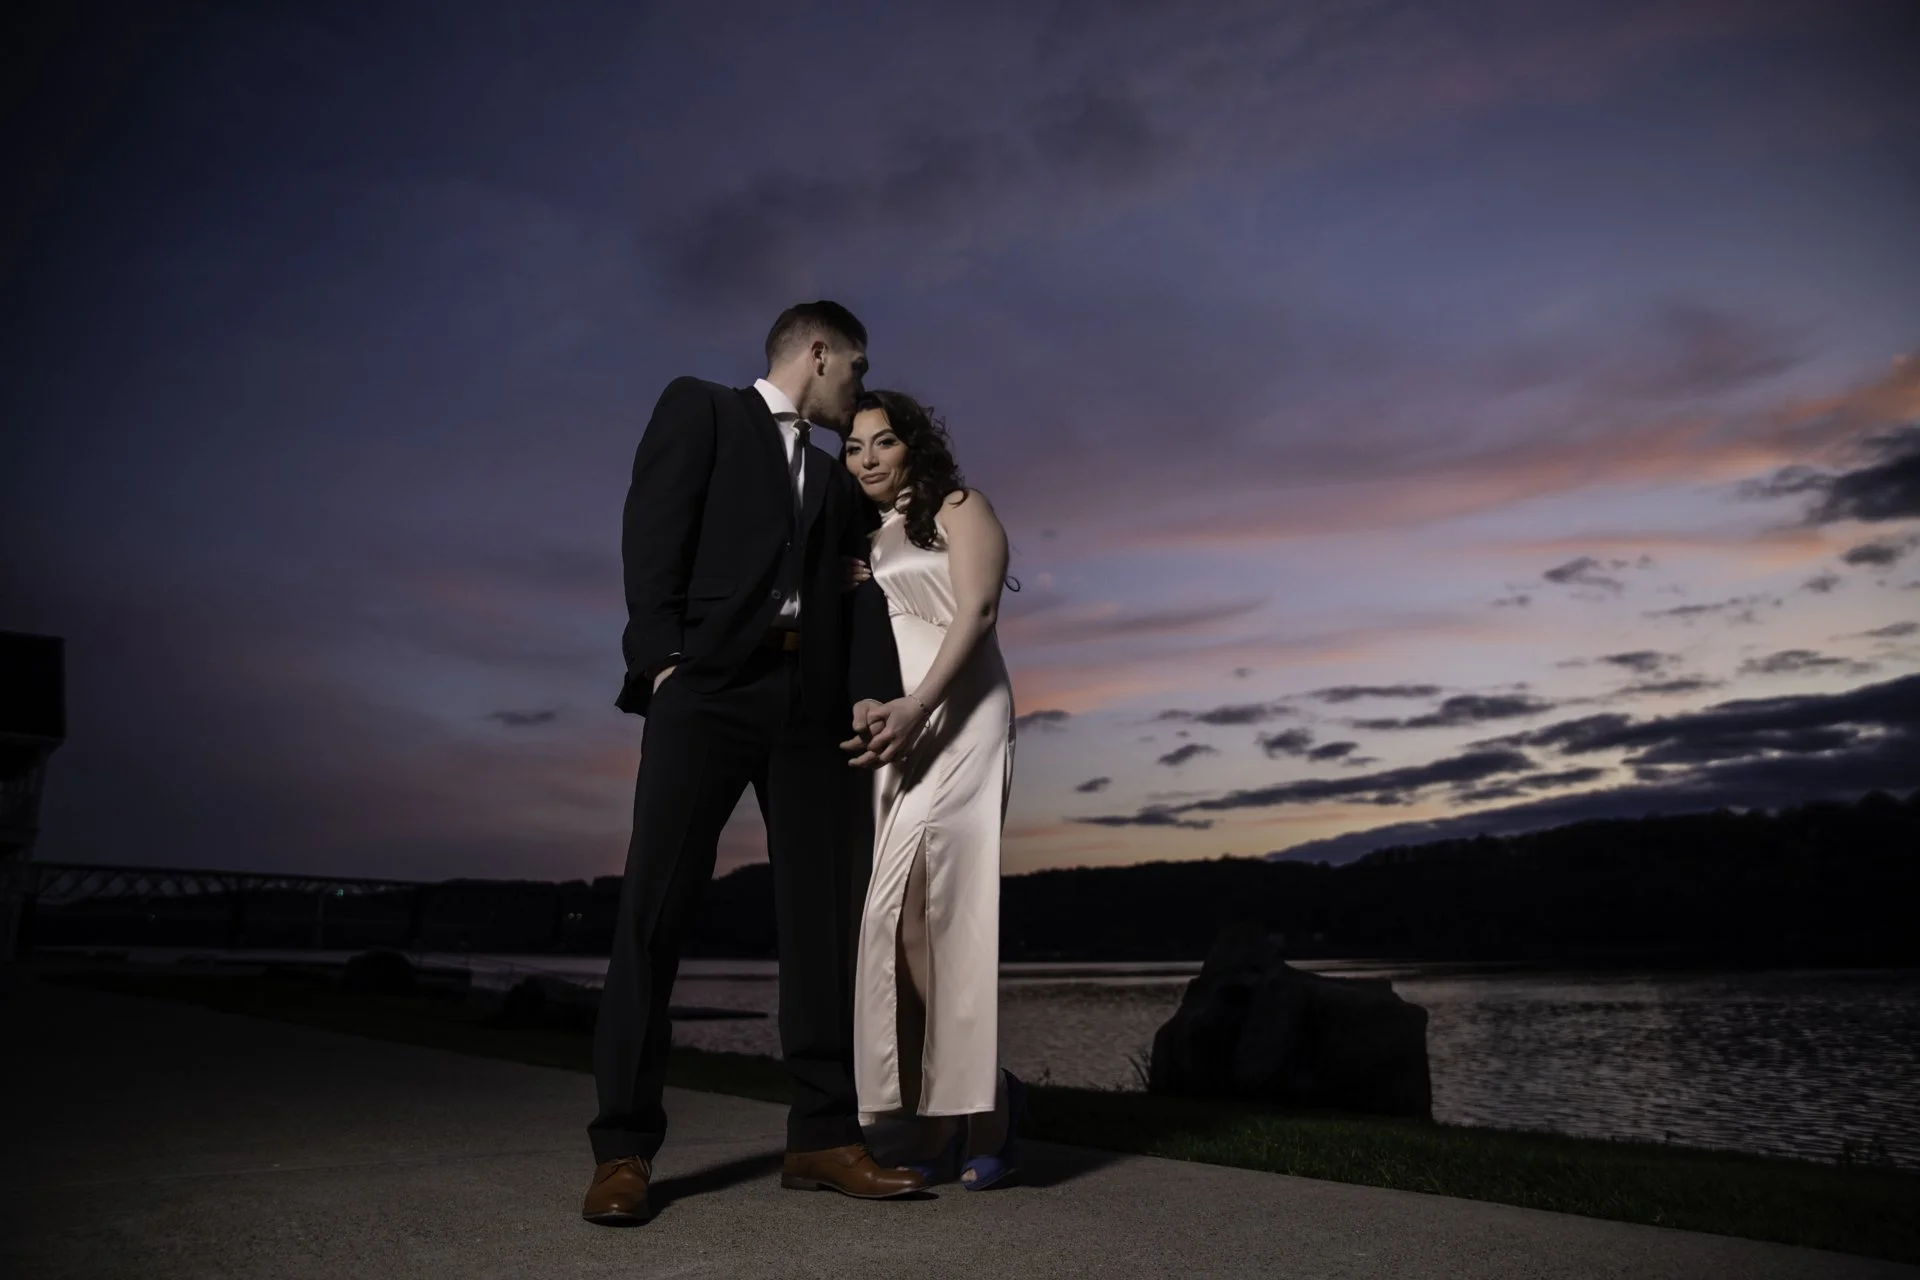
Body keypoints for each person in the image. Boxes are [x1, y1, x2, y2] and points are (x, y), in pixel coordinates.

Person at [584, 302, 926, 1226]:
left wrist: (867, 690)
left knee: (822, 925)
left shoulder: (836, 481)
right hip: (705, 692)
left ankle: (822, 1137)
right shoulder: (701, 408)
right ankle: (622, 1149)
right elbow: (651, 530)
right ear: (819, 353)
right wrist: (663, 667)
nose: (859, 387)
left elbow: (859, 593)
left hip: (810, 707)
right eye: (856, 369)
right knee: (654, 911)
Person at [840, 389, 1024, 1189]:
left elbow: (975, 612)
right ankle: (948, 1104)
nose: (867, 459)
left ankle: (986, 1114)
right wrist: (878, 705)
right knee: (902, 920)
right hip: (904, 730)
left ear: (913, 444)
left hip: (963, 716)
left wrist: (919, 706)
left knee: (949, 912)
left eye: (883, 442)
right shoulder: (868, 542)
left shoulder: (960, 507)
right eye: (853, 447)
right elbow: (876, 640)